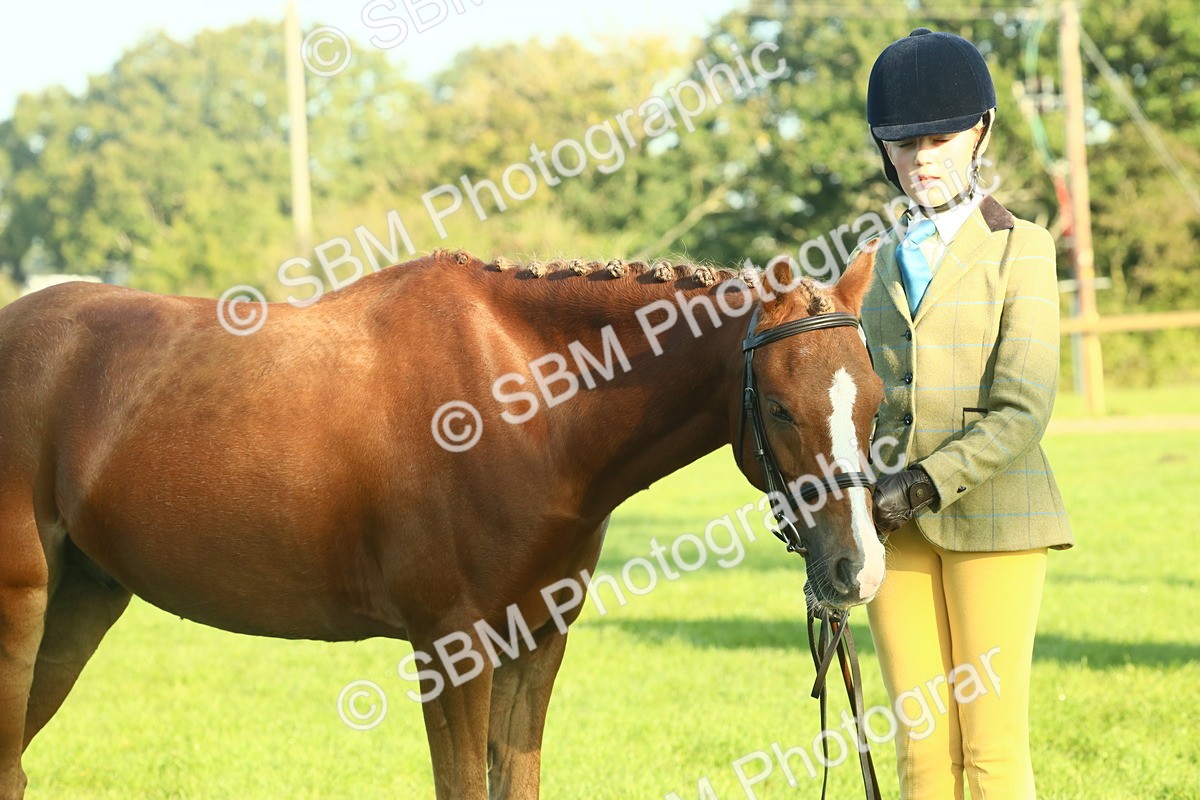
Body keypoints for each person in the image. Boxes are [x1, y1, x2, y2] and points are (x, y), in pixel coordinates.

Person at [852, 27, 1074, 800]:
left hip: (996, 515)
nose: (922, 159)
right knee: (921, 753)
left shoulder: (1023, 248)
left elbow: (1022, 409)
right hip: (892, 528)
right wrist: (832, 498)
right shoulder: (878, 261)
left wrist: (916, 485)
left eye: (939, 139)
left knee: (990, 750)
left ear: (980, 131)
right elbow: (864, 398)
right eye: (904, 144)